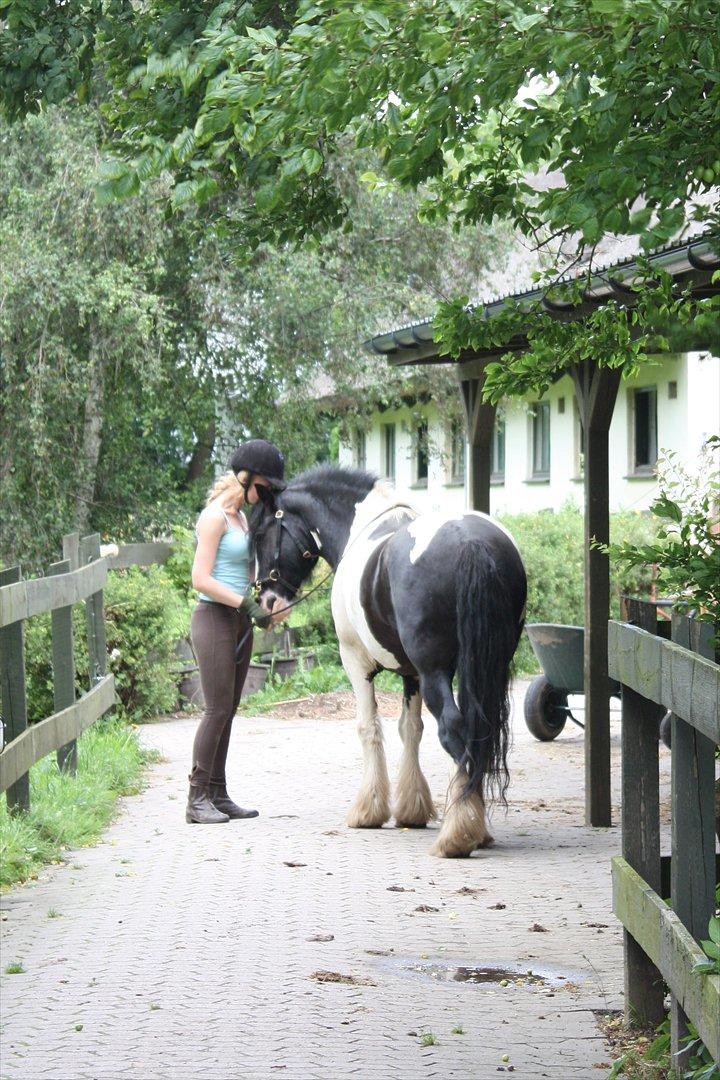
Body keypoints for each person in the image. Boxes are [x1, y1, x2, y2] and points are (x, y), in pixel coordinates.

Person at [187, 439, 287, 824]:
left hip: (238, 621)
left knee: (229, 709)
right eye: (263, 485)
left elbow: (247, 577)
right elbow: (199, 578)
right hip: (213, 619)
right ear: (244, 478)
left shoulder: (243, 519)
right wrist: (242, 603)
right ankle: (195, 799)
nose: (266, 493)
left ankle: (218, 793)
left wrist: (261, 606)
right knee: (215, 709)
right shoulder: (215, 517)